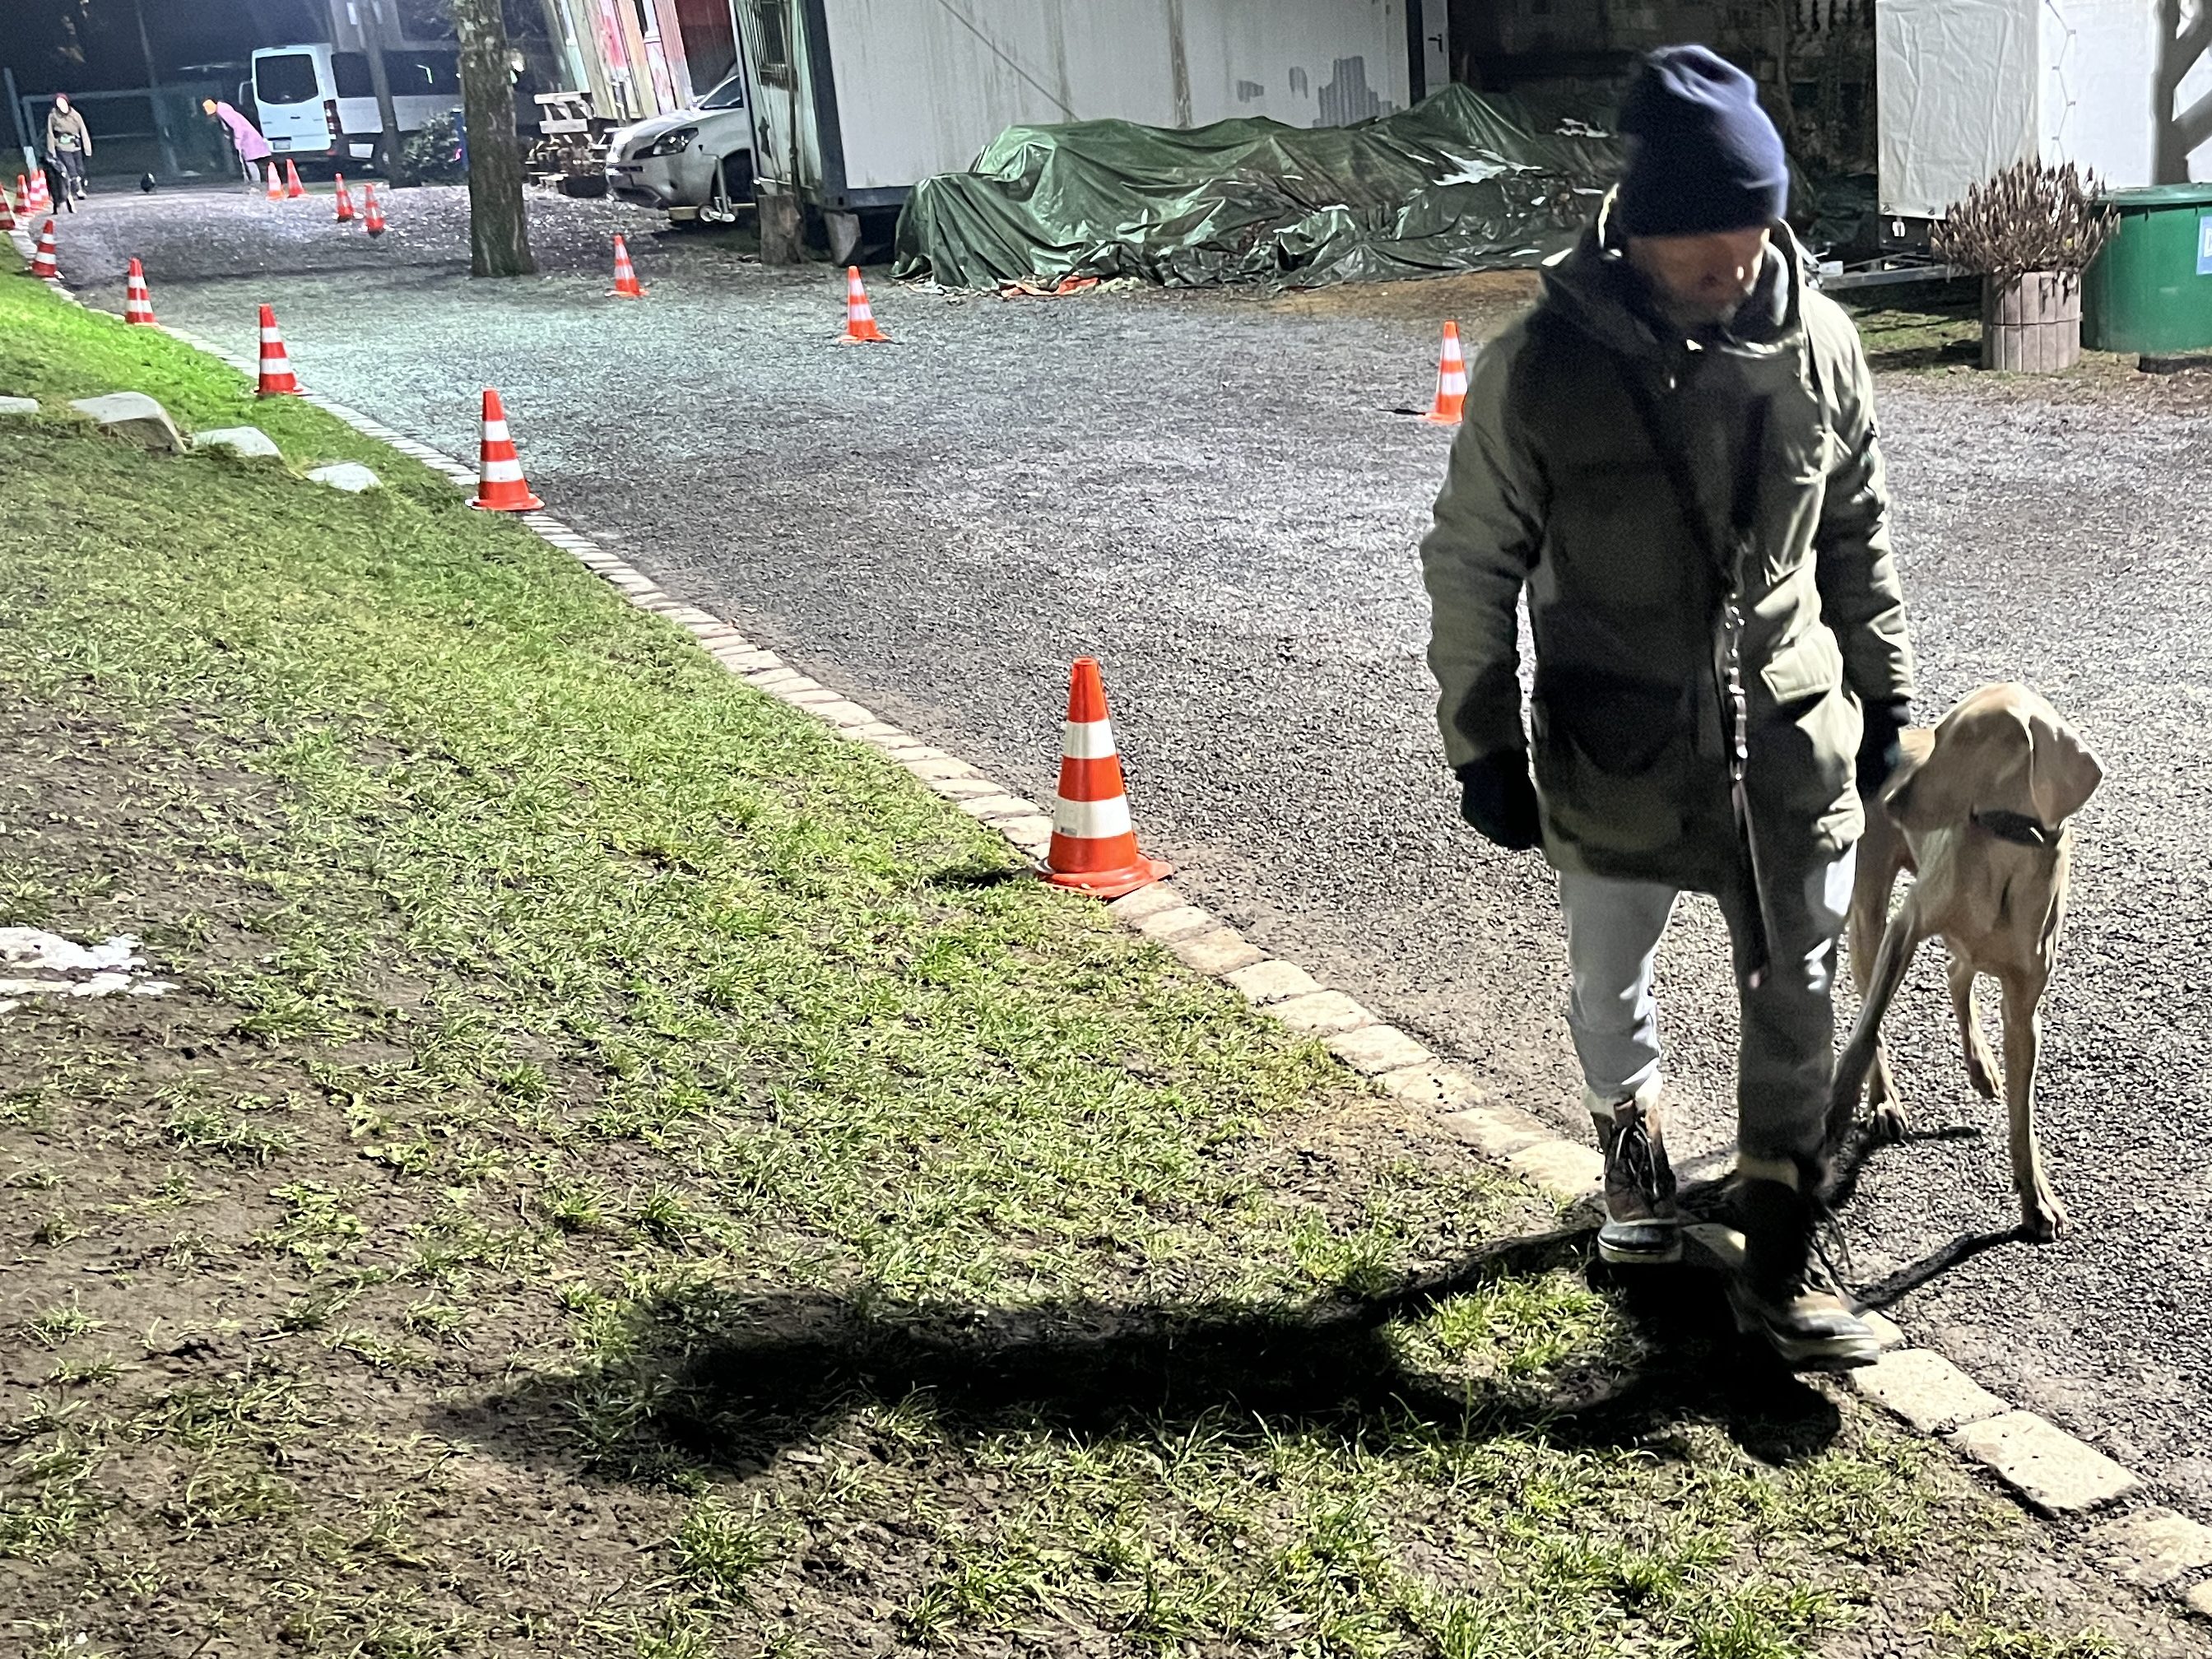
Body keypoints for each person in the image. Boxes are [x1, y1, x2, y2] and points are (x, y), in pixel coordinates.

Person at [1419, 44, 1913, 1370]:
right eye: (1705, 240)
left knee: (1797, 987)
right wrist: (1483, 738)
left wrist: (1889, 699)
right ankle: (1632, 1151)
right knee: (1610, 974)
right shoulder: (1541, 366)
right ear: (1639, 227)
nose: (1734, 263)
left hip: (1788, 742)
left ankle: (1782, 1256)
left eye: (1754, 232)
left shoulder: (1821, 345)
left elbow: (1856, 534)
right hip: (1617, 740)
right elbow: (1472, 557)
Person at [203, 97, 272, 184]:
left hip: (247, 139)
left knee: (250, 161)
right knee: (252, 161)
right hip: (248, 138)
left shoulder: (224, 113)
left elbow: (237, 127)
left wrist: (238, 140)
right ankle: (257, 181)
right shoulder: (225, 111)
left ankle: (256, 182)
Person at [44, 94, 91, 207]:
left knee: (80, 169)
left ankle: (81, 183)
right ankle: (78, 190)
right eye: (59, 103)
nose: (61, 105)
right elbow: (50, 133)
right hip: (62, 146)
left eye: (63, 102)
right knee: (71, 168)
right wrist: (52, 150)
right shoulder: (53, 116)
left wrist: (87, 147)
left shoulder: (75, 115)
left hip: (76, 145)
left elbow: (83, 130)